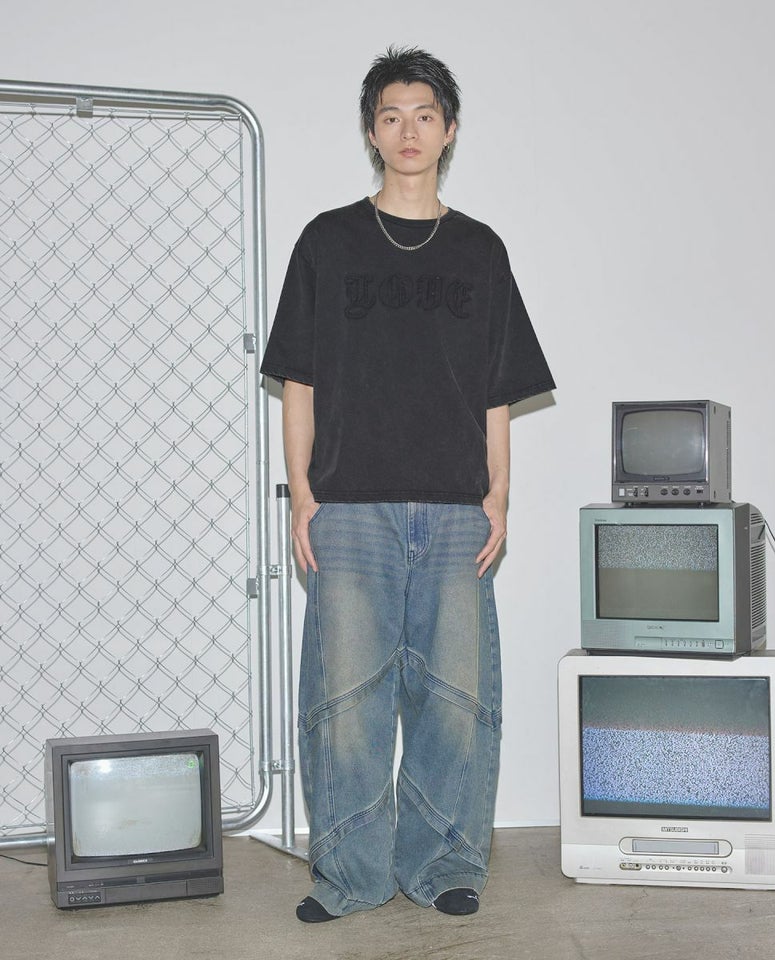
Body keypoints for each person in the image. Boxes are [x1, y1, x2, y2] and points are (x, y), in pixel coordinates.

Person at [261, 45, 555, 923]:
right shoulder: (328, 241)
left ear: (449, 129)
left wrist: (498, 496)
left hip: (457, 508)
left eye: (424, 115)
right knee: (345, 703)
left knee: (457, 700)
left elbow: (499, 389)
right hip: (349, 507)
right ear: (371, 132)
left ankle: (443, 866)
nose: (408, 131)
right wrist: (300, 494)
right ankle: (350, 878)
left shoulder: (480, 251)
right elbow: (298, 381)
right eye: (390, 116)